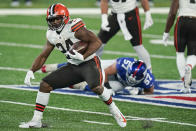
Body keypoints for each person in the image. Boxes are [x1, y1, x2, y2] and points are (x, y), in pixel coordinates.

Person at [19, 3, 126, 128]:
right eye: (51, 19)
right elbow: (44, 55)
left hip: (89, 63)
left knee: (96, 87)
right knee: (45, 85)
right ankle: (36, 120)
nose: (54, 22)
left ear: (65, 17)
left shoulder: (74, 27)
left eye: (57, 18)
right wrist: (31, 70)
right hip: (73, 66)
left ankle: (114, 110)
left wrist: (83, 56)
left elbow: (97, 42)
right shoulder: (51, 34)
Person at [41, 57, 155, 95]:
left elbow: (150, 91)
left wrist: (139, 93)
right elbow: (103, 73)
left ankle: (77, 85)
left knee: (102, 90)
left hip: (121, 83)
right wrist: (106, 87)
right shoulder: (123, 65)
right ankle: (54, 67)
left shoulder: (147, 80)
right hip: (108, 70)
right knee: (86, 65)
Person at [96, 0, 153, 72]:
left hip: (131, 15)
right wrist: (104, 19)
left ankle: (149, 72)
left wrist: (148, 14)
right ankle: (94, 68)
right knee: (98, 43)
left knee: (138, 46)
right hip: (114, 15)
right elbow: (104, 1)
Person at [162, 0, 196, 93]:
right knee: (193, 54)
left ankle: (185, 83)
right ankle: (189, 66)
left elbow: (173, 13)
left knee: (180, 53)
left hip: (182, 21)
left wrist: (166, 31)